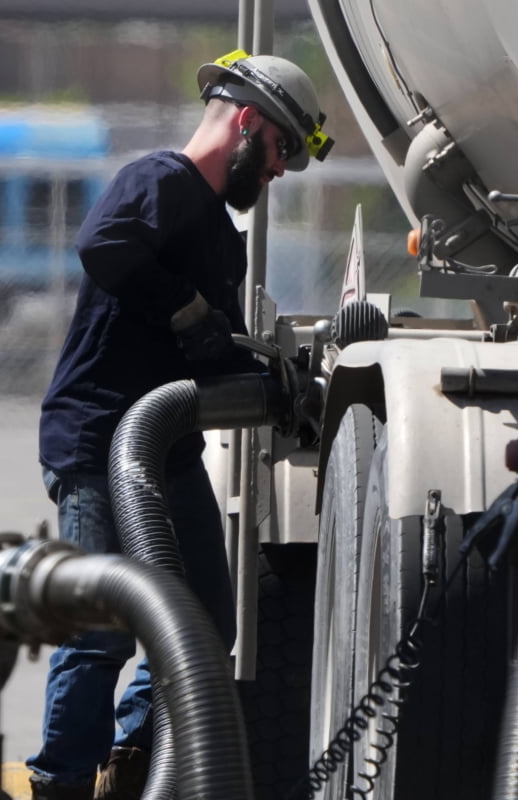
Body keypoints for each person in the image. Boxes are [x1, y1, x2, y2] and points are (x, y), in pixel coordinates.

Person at [27, 50, 333, 800]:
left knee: (202, 628)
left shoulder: (220, 237)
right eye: (279, 151)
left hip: (166, 450)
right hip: (103, 440)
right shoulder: (159, 181)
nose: (281, 171)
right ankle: (61, 786)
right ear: (247, 121)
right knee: (101, 632)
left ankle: (131, 766)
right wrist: (184, 308)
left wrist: (276, 380)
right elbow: (103, 246)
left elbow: (218, 350)